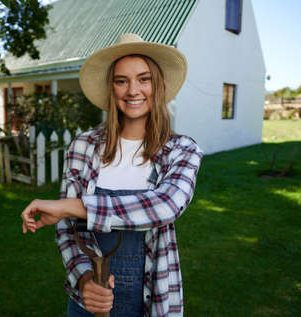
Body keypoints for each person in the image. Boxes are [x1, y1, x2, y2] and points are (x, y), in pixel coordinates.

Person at [21, 33, 203, 317]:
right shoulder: (83, 146)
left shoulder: (181, 149)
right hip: (88, 301)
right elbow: (68, 231)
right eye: (121, 80)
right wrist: (85, 279)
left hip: (151, 297)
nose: (133, 90)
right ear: (111, 88)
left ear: (158, 85)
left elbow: (165, 206)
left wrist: (70, 207)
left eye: (144, 79)